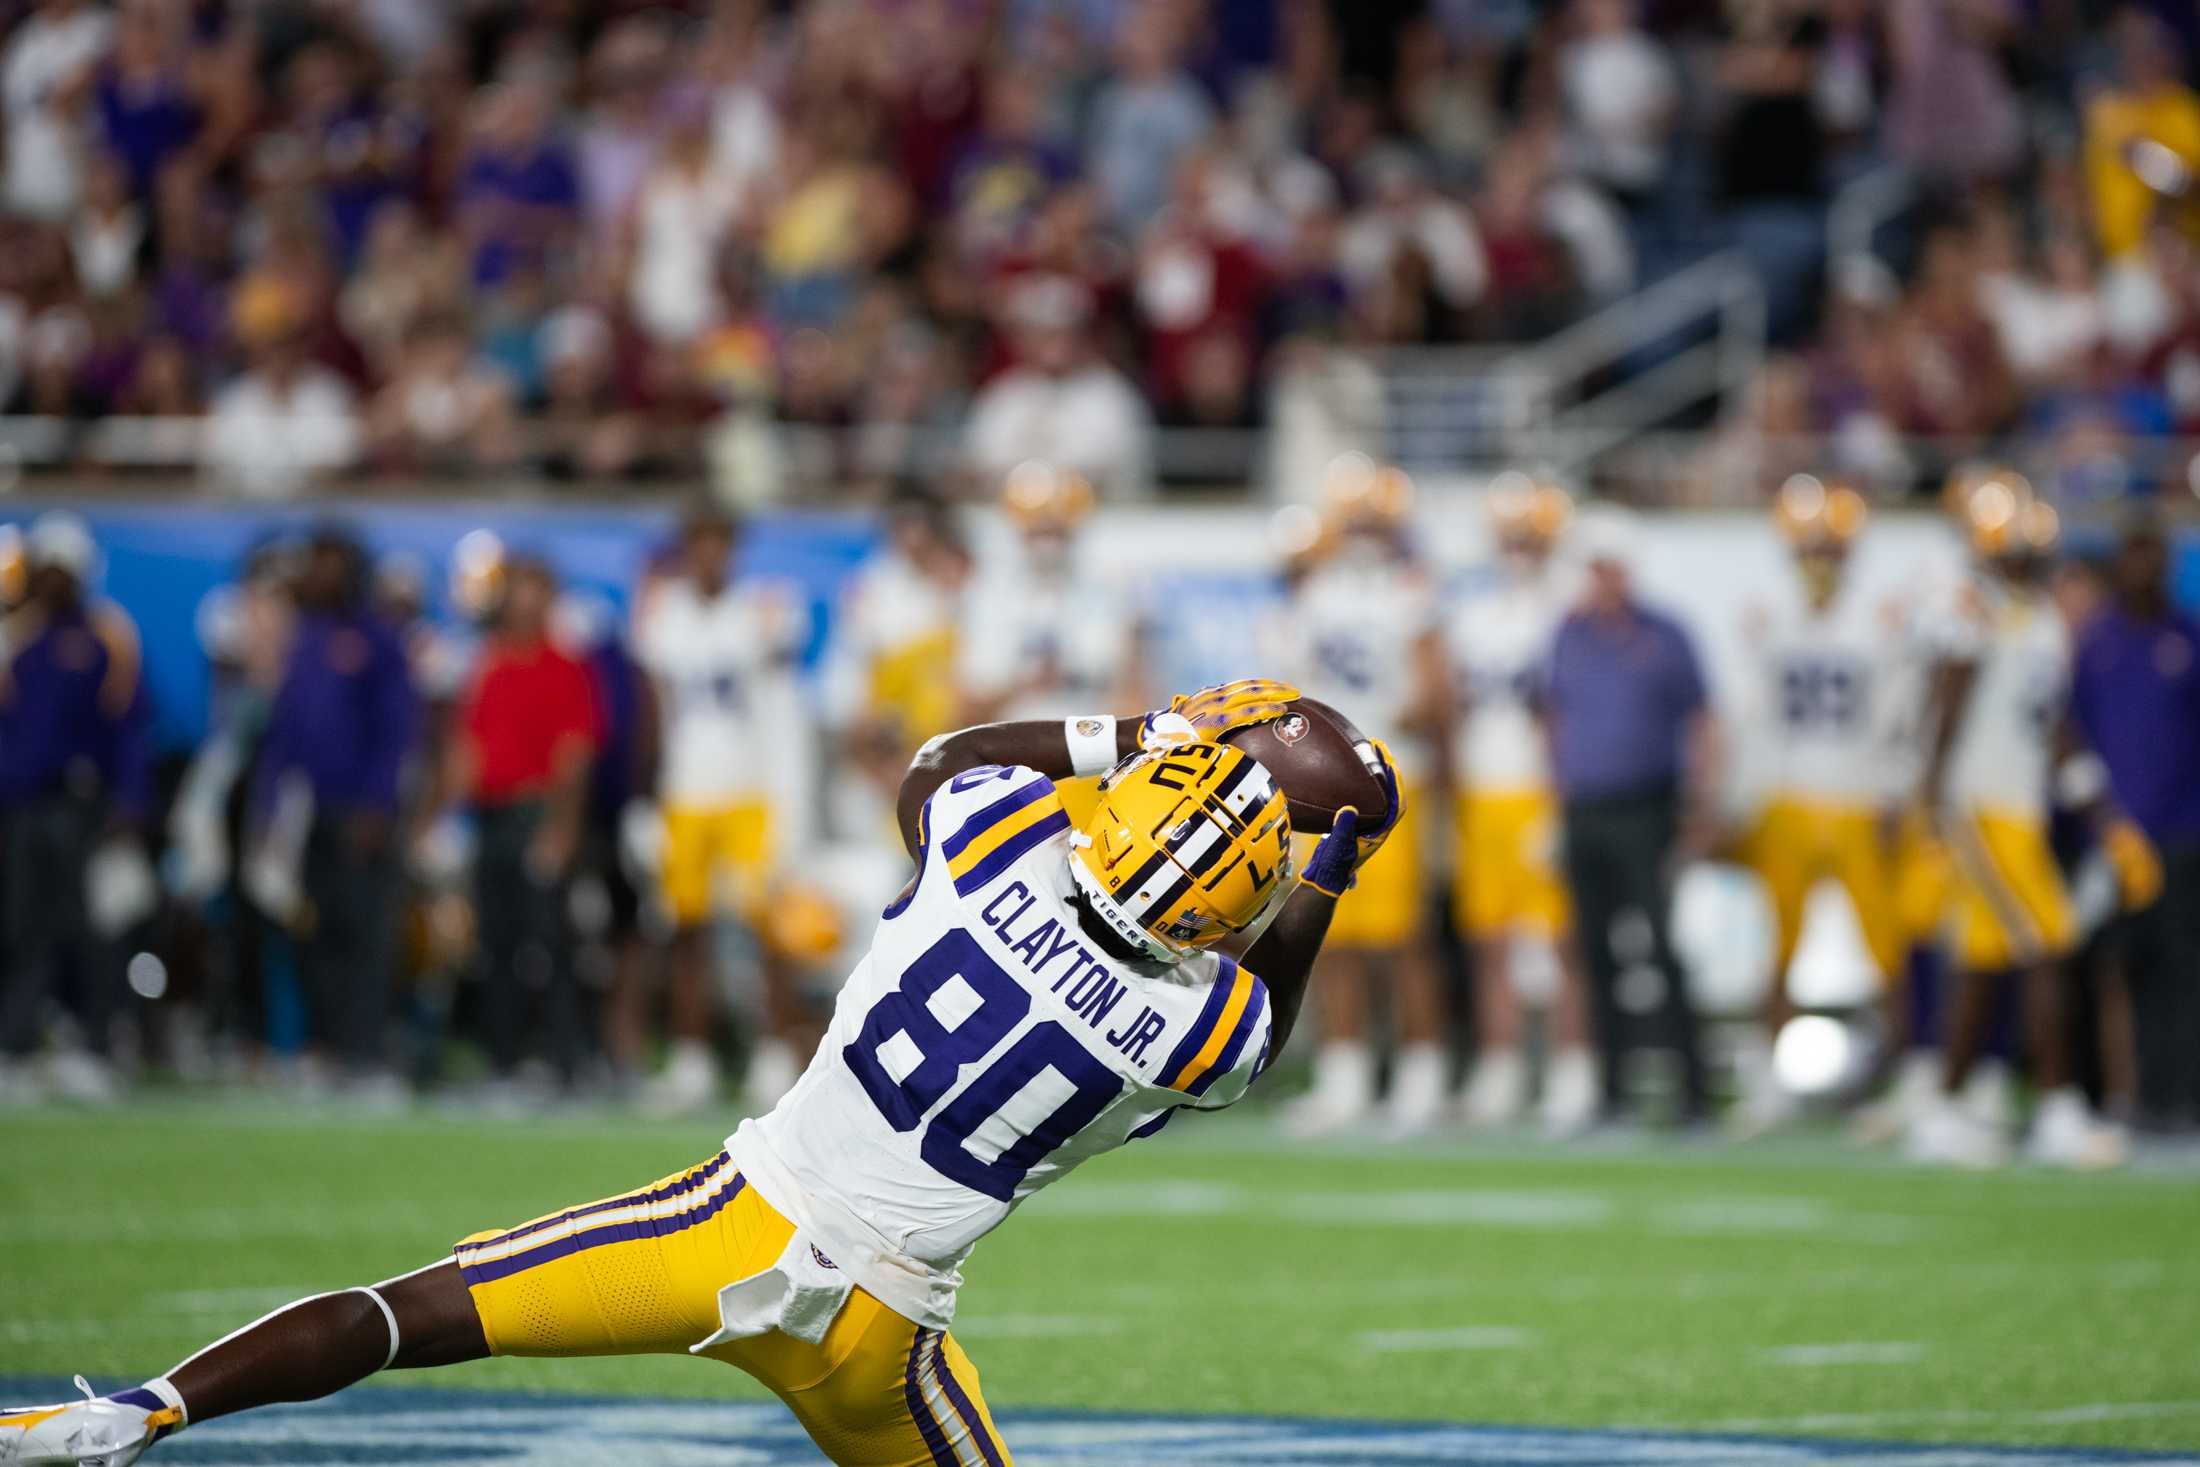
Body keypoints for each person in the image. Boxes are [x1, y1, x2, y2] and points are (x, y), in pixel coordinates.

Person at [1, 680, 1400, 1467]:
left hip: (725, 1228)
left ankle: (139, 1410)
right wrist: (1319, 881)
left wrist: (1136, 738)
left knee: (410, 1310)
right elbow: (1264, 1009)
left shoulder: (989, 837)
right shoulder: (1190, 1033)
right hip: (881, 1335)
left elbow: (950, 755)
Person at [1905, 473, 2138, 1168]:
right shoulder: (1971, 605)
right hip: (1979, 805)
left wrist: (2105, 818)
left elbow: (2055, 727)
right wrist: (1930, 801)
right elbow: (1948, 703)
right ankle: (2059, 1109)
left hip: (2017, 806)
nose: (2022, 559)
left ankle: (1943, 1108)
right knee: (2047, 943)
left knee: (1984, 964)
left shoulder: (2039, 617)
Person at [1264, 461, 1450, 1135]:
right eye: (1359, 522)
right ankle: (1345, 1077)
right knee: (1329, 937)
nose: (1367, 534)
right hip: (1320, 790)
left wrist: (1395, 715)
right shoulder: (1311, 600)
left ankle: (1419, 1075)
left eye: (1376, 522)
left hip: (1392, 779)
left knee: (1402, 940)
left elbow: (1435, 698)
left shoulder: (1410, 593)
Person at [1731, 477, 1912, 1134]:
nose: (1818, 560)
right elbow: (1753, 718)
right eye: (1809, 547)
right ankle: (1764, 1078)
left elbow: (1897, 719)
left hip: (1859, 796)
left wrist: (1894, 791)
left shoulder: (1878, 620)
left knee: (1887, 949)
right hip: (1789, 797)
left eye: (1828, 548)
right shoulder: (1770, 617)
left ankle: (1907, 1079)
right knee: (1775, 949)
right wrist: (1744, 797)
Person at [631, 504, 811, 1115]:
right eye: (700, 545)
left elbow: (783, 711)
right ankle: (692, 1058)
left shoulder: (762, 610)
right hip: (685, 791)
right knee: (686, 929)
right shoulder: (664, 613)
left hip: (748, 791)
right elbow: (654, 711)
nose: (711, 557)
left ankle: (773, 1053)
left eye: (721, 545)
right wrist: (647, 795)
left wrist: (789, 802)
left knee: (766, 930)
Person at [1543, 510, 1718, 1126]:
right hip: (1585, 810)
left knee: (1663, 950)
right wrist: (1554, 799)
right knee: (1596, 954)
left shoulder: (1666, 633)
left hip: (1648, 808)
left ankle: (1693, 1092)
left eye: (1607, 566)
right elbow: (1556, 721)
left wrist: (1701, 805)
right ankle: (1613, 1093)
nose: (1600, 579)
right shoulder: (1570, 633)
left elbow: (1702, 724)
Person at [1442, 475, 1597, 1133]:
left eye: (1529, 536)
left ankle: (1573, 1070)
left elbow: (1576, 714)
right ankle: (1501, 1067)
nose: (1519, 548)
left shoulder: (1570, 611)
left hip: (1541, 788)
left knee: (1561, 941)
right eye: (1510, 536)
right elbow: (1456, 706)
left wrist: (1567, 794)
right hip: (1484, 788)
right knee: (1489, 939)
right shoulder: (1474, 612)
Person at [250, 527, 419, 1098]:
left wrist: (377, 803)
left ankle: (366, 1055)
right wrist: (270, 805)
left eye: (330, 563)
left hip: (362, 812)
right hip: (308, 811)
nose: (319, 575)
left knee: (367, 936)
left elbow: (395, 731)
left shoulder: (376, 637)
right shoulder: (306, 637)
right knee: (314, 934)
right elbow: (285, 732)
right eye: (313, 561)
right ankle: (321, 1049)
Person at [435, 552, 601, 1090]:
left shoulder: (563, 666)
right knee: (495, 944)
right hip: (491, 816)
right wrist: (441, 816)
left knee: (550, 944)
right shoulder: (488, 662)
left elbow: (574, 755)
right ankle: (502, 1060)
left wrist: (561, 828)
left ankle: (564, 1062)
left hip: (536, 814)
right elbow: (468, 744)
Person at [0, 513, 149, 1102]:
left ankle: (90, 1044)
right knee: (22, 926)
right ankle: (15, 1044)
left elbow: (130, 727)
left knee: (89, 929)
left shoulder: (106, 636)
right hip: (20, 805)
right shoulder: (15, 636)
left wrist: (129, 802)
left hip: (81, 802)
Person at [2067, 511, 2200, 1131]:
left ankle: (2177, 1095)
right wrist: (2098, 814)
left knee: (2180, 968)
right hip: (2112, 837)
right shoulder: (2096, 643)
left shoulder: (2187, 638)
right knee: (2112, 969)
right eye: (2133, 557)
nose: (2143, 571)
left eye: (2153, 558)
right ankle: (2122, 1094)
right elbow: (2068, 730)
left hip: (2181, 832)